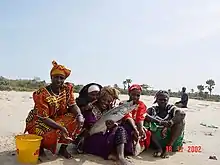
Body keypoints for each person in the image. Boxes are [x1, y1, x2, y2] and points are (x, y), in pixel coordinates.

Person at [24, 61, 84, 159]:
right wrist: (60, 127)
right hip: (39, 120)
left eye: (61, 78)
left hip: (56, 118)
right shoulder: (41, 94)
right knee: (45, 131)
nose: (59, 80)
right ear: (51, 77)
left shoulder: (67, 89)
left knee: (76, 120)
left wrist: (79, 115)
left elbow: (72, 105)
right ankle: (40, 146)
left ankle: (63, 149)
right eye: (56, 77)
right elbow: (43, 118)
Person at [80, 86, 132, 165]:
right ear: (99, 97)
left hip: (104, 136)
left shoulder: (109, 110)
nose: (105, 103)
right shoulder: (90, 108)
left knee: (122, 129)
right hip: (91, 138)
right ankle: (117, 157)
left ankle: (119, 157)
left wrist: (113, 126)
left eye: (108, 101)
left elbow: (114, 126)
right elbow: (90, 126)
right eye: (104, 100)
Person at [145, 90, 186, 158]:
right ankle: (159, 149)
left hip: (172, 140)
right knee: (146, 122)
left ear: (168, 100)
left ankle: (168, 148)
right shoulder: (152, 110)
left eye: (165, 100)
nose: (162, 101)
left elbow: (182, 114)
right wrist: (160, 122)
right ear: (156, 100)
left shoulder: (171, 108)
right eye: (160, 99)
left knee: (181, 121)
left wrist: (169, 123)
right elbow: (144, 115)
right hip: (156, 141)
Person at [122, 84, 151, 155]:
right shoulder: (123, 103)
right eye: (133, 94)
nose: (135, 97)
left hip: (137, 125)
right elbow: (127, 116)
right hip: (127, 124)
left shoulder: (141, 104)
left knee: (146, 133)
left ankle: (139, 147)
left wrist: (140, 129)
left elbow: (140, 117)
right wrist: (135, 128)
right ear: (129, 93)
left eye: (138, 95)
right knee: (127, 132)